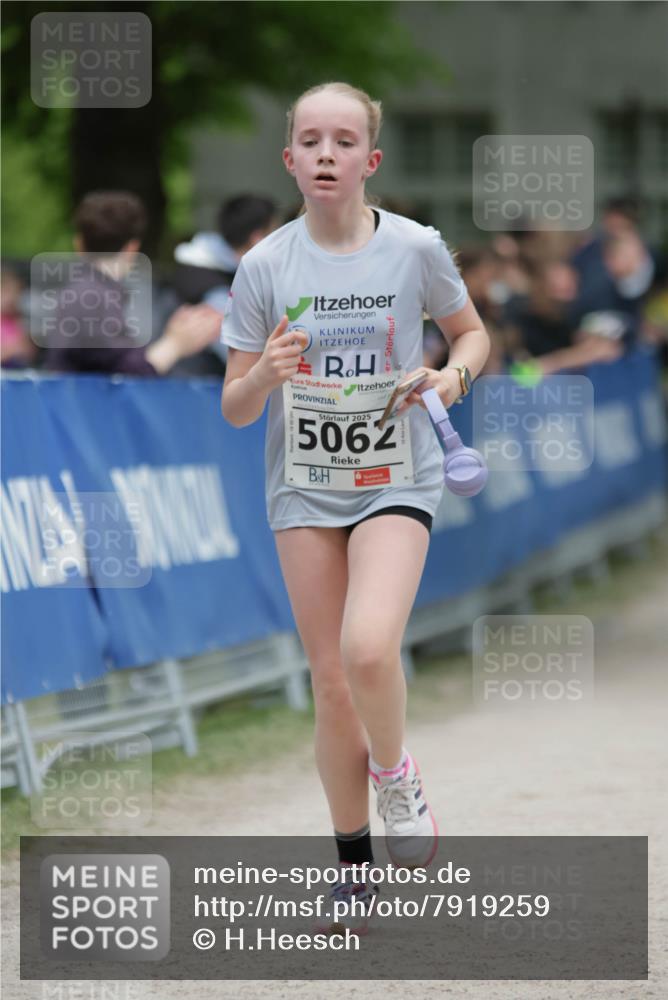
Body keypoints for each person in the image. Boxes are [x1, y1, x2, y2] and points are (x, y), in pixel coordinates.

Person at [220, 82, 490, 934]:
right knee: (332, 683)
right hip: (304, 485)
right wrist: (265, 374)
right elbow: (234, 405)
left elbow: (473, 334)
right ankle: (353, 870)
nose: (326, 153)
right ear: (290, 159)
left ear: (369, 160)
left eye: (343, 141)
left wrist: (451, 378)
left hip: (396, 475)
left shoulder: (414, 247)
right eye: (311, 140)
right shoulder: (265, 266)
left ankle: (396, 773)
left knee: (368, 648)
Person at [43, 191, 221, 376]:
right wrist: (174, 345)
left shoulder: (87, 292)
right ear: (132, 248)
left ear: (79, 244)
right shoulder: (91, 297)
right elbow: (124, 374)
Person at [170, 194, 278, 376]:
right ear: (258, 238)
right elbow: (241, 356)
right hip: (197, 384)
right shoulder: (211, 289)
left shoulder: (209, 263)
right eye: (276, 233)